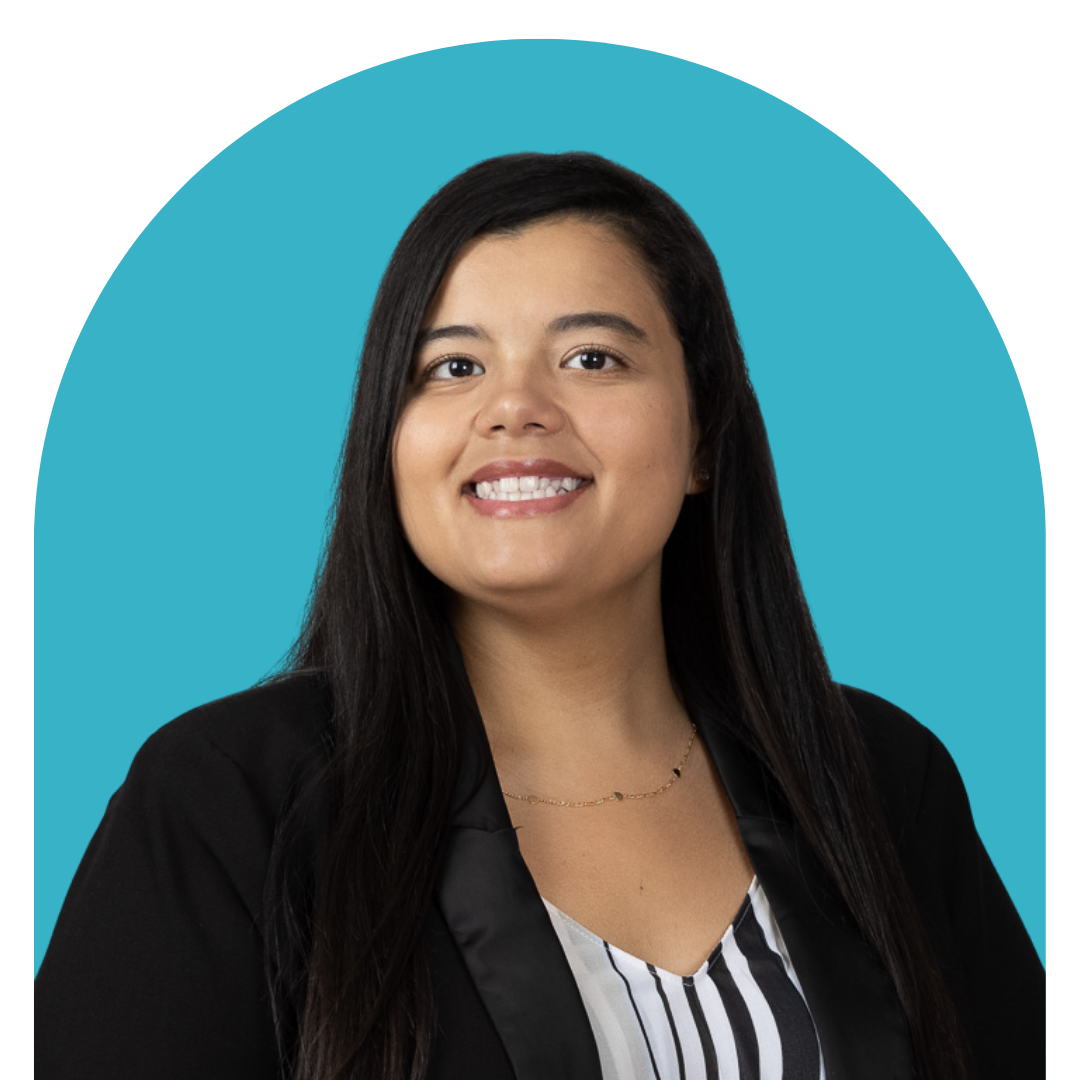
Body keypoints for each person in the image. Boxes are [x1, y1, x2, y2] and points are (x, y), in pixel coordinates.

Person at [33, 152, 1044, 1080]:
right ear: (389, 447)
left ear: (704, 439)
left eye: (593, 358)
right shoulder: (228, 802)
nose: (513, 407)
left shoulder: (879, 776)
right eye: (453, 368)